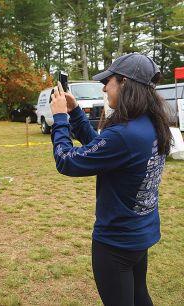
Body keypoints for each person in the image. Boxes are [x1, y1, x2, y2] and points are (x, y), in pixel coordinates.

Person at [50, 53, 172, 306]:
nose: (104, 87)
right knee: (140, 297)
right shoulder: (151, 122)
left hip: (116, 243)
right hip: (140, 235)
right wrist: (74, 112)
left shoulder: (125, 133)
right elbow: (100, 148)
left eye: (109, 81)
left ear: (125, 83)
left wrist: (59, 118)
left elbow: (66, 160)